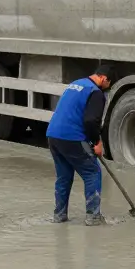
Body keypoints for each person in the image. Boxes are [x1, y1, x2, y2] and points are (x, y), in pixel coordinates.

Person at [45, 64, 114, 225]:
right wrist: (96, 143)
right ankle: (93, 217)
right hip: (72, 138)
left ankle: (59, 215)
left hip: (53, 135)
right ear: (104, 78)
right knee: (92, 172)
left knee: (64, 177)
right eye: (108, 84)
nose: (107, 88)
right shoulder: (96, 93)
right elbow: (91, 121)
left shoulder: (77, 84)